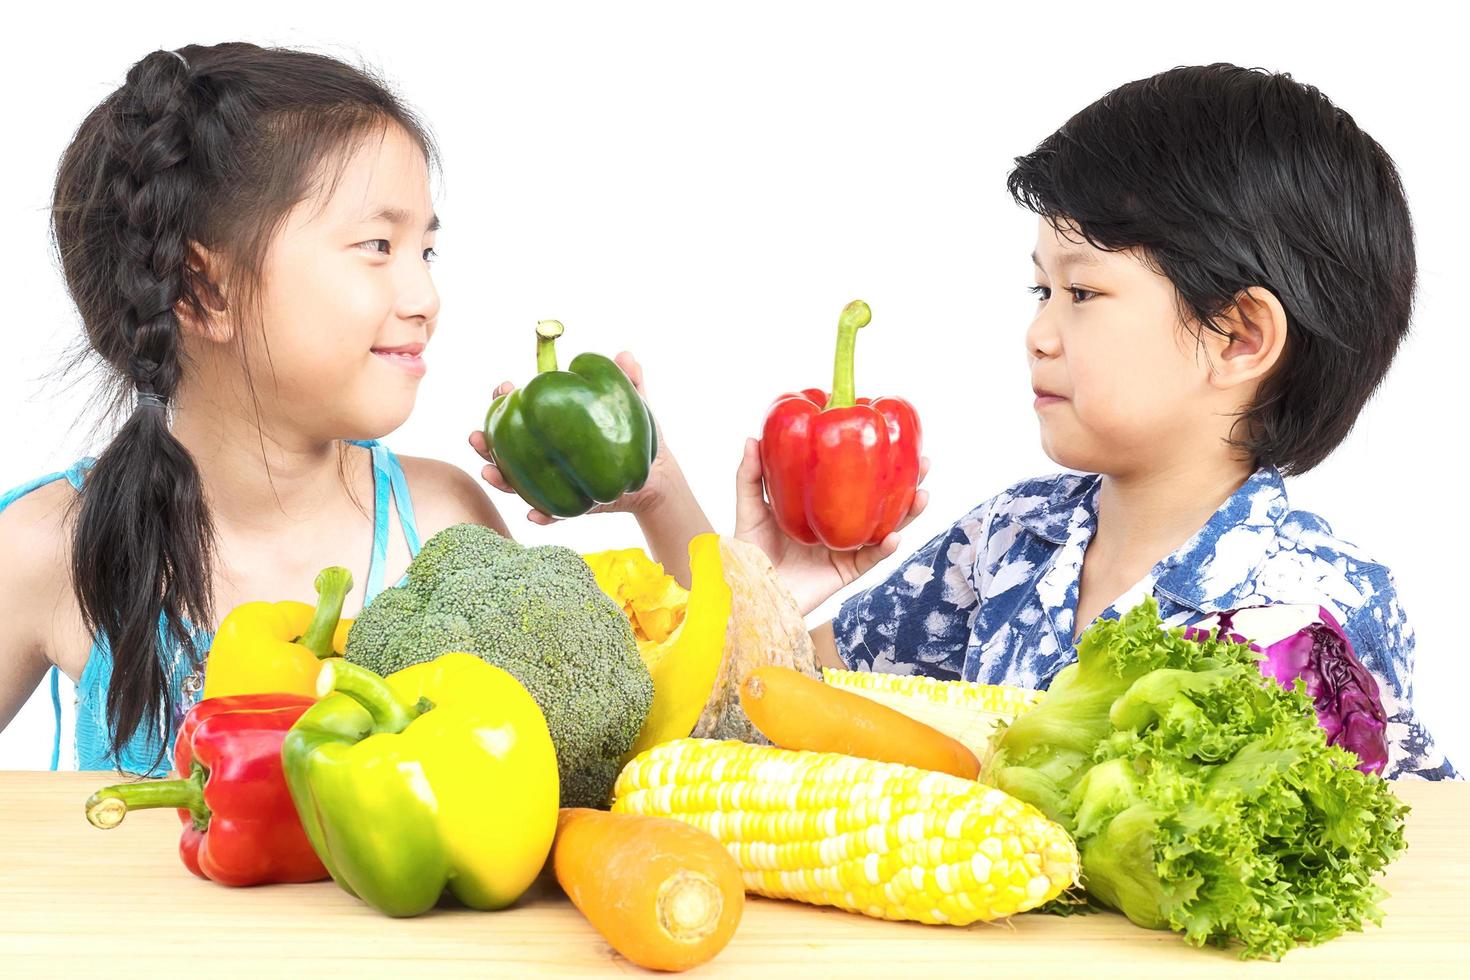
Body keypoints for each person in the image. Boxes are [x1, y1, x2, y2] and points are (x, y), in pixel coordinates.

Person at [0, 43, 710, 775]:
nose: (425, 300)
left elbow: (635, 745)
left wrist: (662, 500)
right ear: (203, 290)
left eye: (425, 252)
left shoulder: (439, 524)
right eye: (378, 245)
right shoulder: (47, 548)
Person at [734, 64, 1456, 780]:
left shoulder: (1316, 615)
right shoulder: (1011, 539)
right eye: (1040, 288)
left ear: (1238, 337)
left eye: (1080, 291)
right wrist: (757, 586)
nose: (1038, 333)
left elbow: (1401, 863)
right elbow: (764, 715)